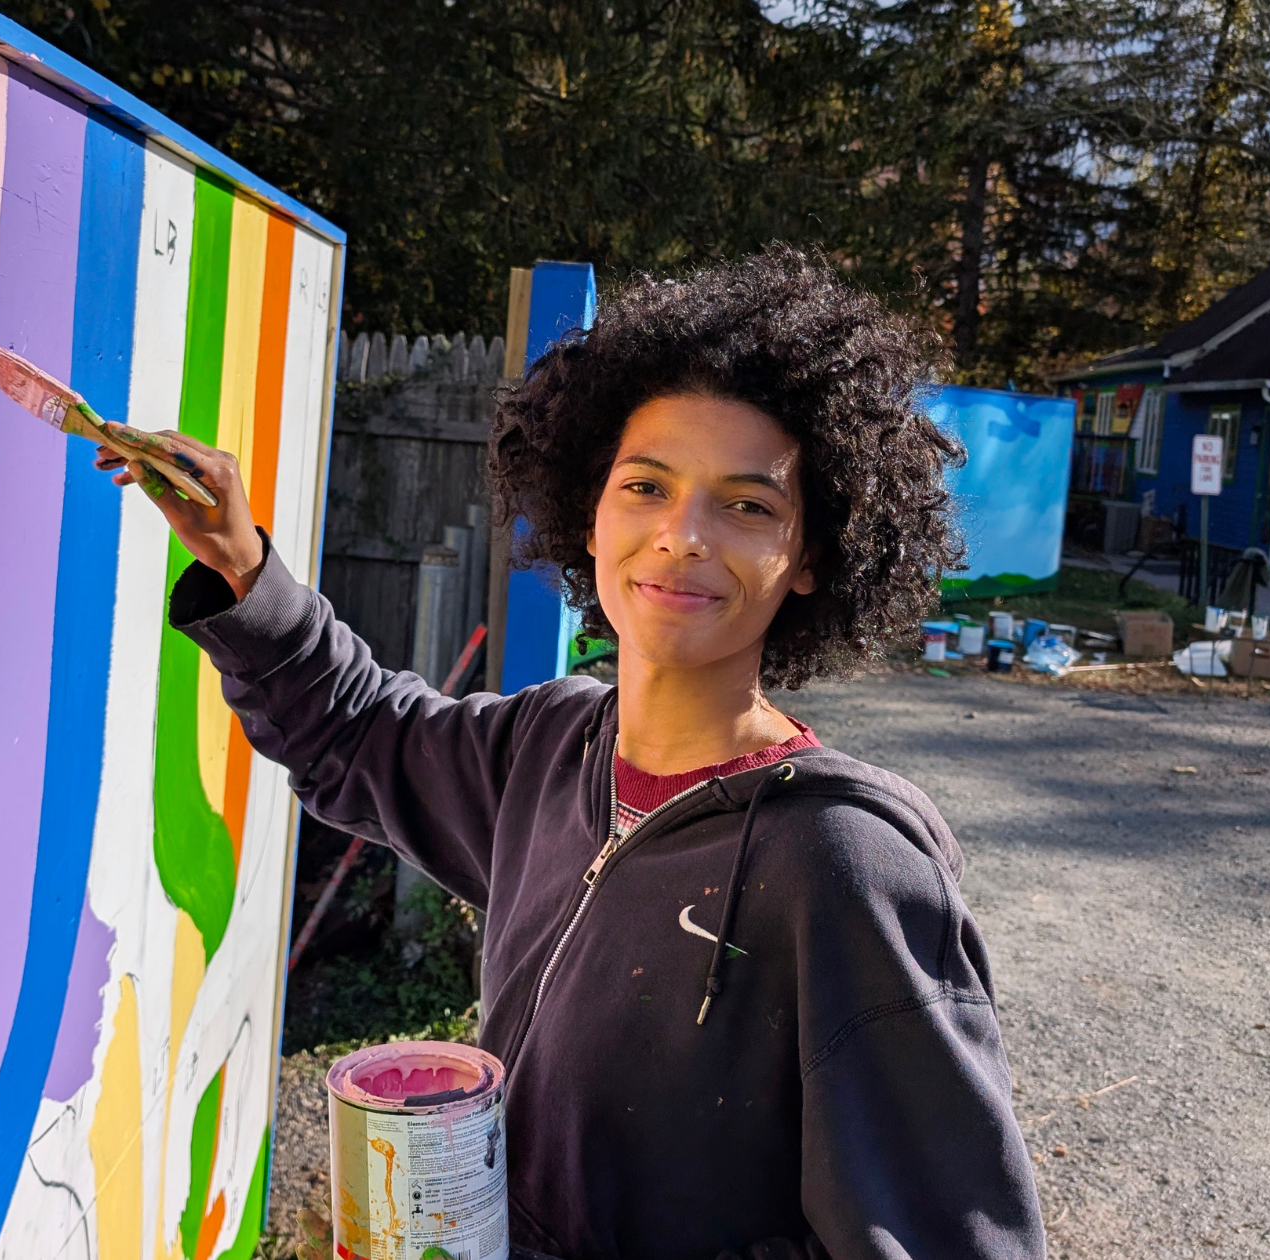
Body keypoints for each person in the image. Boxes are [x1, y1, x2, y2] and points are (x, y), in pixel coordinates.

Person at [95, 247, 1044, 1260]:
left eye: (747, 504)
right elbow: (357, 732)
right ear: (587, 516)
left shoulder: (841, 863)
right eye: (645, 486)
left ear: (809, 557)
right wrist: (243, 566)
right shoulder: (543, 749)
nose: (681, 534)